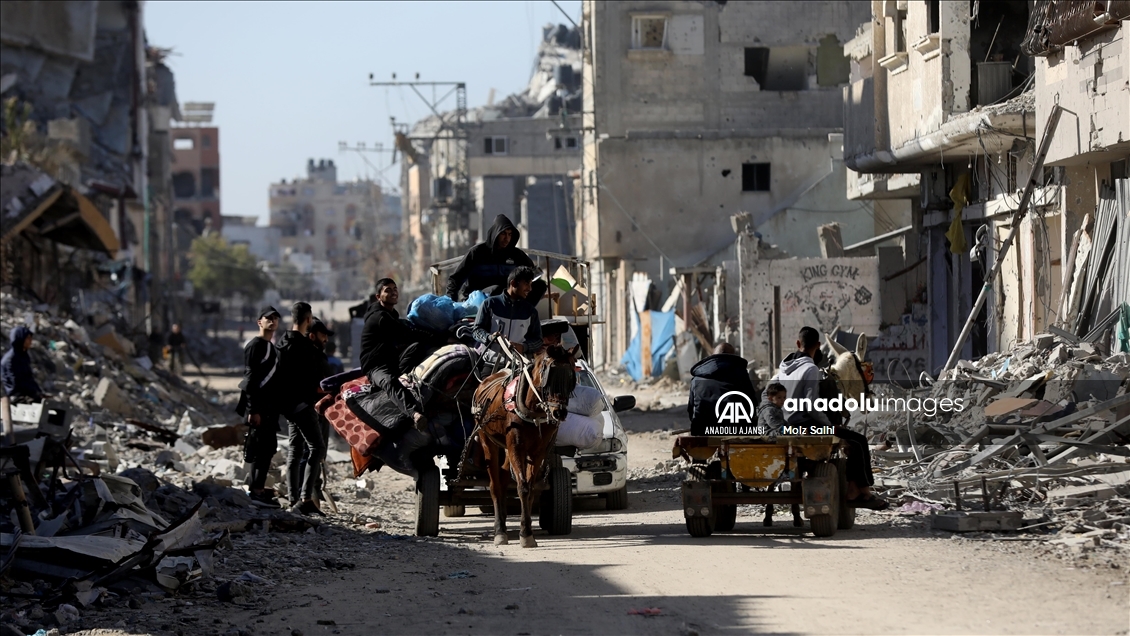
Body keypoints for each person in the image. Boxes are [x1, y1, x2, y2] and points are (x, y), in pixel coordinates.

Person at [767, 326, 888, 511]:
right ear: (818, 345)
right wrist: (829, 425)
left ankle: (858, 490)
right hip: (807, 427)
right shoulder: (811, 369)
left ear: (798, 344)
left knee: (855, 441)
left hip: (788, 426)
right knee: (858, 441)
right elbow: (811, 405)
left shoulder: (782, 370)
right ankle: (863, 493)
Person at [276, 302, 329, 516]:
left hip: (289, 406)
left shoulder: (282, 343)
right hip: (305, 405)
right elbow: (315, 380)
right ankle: (306, 497)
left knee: (295, 450)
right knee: (317, 447)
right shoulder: (306, 348)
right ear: (308, 319)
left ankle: (292, 499)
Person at [359, 278, 429, 432]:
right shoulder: (380, 318)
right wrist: (443, 337)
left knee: (417, 348)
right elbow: (407, 334)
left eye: (394, 289)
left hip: (393, 361)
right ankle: (414, 413)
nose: (393, 292)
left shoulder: (392, 315)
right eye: (387, 290)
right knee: (389, 381)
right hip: (376, 367)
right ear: (378, 296)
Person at [446, 214, 547, 306]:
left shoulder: (516, 254)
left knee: (540, 285)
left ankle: (523, 314)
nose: (506, 238)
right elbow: (455, 279)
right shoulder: (477, 253)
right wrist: (451, 304)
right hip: (478, 298)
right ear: (496, 233)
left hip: (506, 297)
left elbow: (530, 273)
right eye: (503, 234)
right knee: (498, 289)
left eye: (509, 234)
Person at [237, 307, 283, 508]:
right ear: (259, 322)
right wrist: (252, 409)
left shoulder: (272, 348)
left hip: (270, 408)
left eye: (275, 319)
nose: (272, 322)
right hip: (258, 408)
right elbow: (250, 379)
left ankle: (258, 489)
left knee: (268, 448)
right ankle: (255, 491)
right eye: (268, 319)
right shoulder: (255, 345)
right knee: (258, 449)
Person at [472, 266, 543, 367]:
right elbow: (476, 331)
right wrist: (490, 337)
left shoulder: (531, 312)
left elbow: (538, 340)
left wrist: (523, 347)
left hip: (519, 367)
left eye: (531, 284)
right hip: (491, 364)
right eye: (527, 284)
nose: (530, 289)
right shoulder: (490, 304)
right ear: (513, 283)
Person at [687, 342, 758, 436]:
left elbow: (691, 410)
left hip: (703, 430)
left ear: (713, 356)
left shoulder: (696, 379)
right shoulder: (742, 375)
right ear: (733, 357)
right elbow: (751, 404)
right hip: (735, 430)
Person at [1, 326, 45, 404]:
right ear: (20, 338)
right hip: (15, 396)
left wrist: (38, 392)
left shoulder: (23, 356)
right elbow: (15, 382)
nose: (30, 341)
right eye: (28, 338)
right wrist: (32, 392)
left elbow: (29, 377)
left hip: (26, 394)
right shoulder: (11, 359)